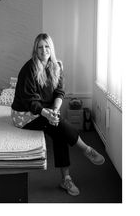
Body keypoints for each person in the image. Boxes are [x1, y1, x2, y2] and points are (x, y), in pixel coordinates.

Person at [11, 33, 105, 196]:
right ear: (35, 50)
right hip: (24, 114)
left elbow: (59, 93)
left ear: (51, 48)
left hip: (44, 111)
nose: (43, 50)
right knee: (58, 126)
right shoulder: (29, 68)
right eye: (40, 47)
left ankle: (66, 179)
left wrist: (54, 110)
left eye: (46, 46)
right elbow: (30, 102)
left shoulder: (57, 66)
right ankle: (85, 150)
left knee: (59, 130)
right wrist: (47, 114)